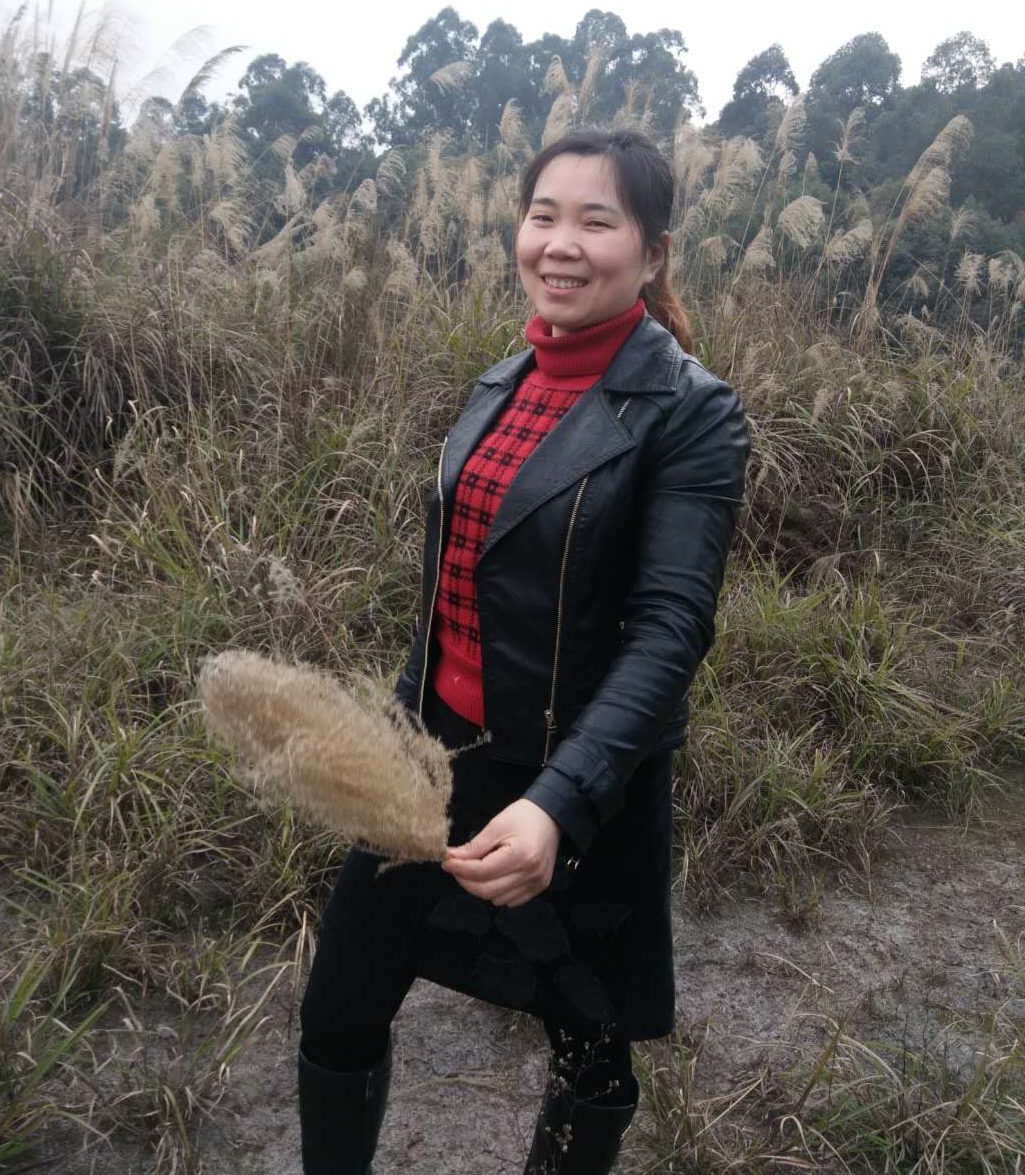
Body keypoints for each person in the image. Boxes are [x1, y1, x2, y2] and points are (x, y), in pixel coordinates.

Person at [296, 127, 750, 1174]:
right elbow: (450, 596)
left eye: (597, 221)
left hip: (579, 783)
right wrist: (393, 733)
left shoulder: (691, 414)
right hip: (436, 762)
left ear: (653, 253)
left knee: (589, 1047)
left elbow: (670, 629)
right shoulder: (502, 382)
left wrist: (559, 801)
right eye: (543, 215)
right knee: (339, 1008)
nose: (560, 243)